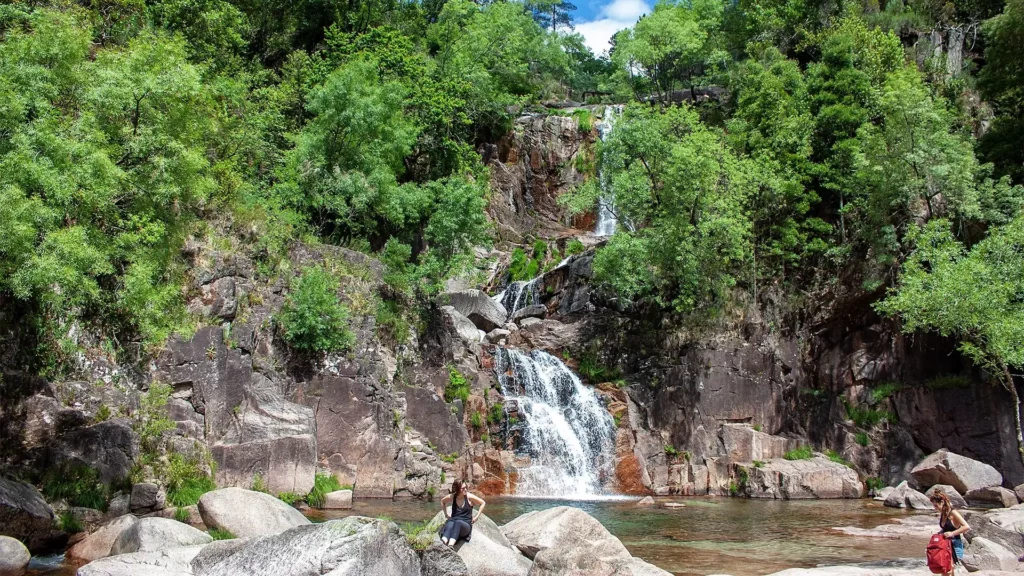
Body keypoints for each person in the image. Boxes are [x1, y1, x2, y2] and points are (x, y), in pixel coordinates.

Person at [931, 489, 970, 575]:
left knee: (947, 570)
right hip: (945, 545)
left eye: (936, 506)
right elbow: (945, 529)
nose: (935, 508)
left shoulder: (953, 512)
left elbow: (966, 526)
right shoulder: (943, 513)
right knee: (946, 570)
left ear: (942, 502)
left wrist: (952, 533)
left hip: (954, 545)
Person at [439, 479, 486, 547]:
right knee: (449, 523)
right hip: (453, 521)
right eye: (463, 488)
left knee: (458, 522)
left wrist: (476, 517)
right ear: (458, 489)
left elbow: (483, 503)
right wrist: (446, 514)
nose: (465, 489)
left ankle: (450, 545)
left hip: (465, 525)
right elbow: (443, 501)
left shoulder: (469, 497)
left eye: (466, 487)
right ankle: (443, 542)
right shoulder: (453, 496)